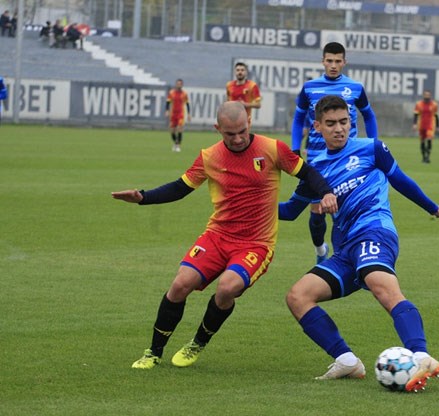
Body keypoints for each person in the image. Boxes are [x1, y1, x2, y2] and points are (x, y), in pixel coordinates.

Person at [111, 101, 337, 370]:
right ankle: (153, 352)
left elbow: (307, 173)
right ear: (217, 128)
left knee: (227, 288)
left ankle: (197, 342)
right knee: (180, 284)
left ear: (249, 122)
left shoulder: (271, 148)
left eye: (242, 131)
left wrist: (326, 192)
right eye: (230, 134)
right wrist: (143, 197)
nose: (238, 138)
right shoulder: (210, 156)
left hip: (256, 244)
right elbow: (180, 188)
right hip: (217, 236)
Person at [282, 95, 439, 392]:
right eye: (331, 124)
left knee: (381, 285)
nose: (339, 129)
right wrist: (249, 201)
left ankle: (421, 356)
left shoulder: (371, 148)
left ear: (351, 122)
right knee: (298, 296)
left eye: (344, 122)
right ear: (317, 126)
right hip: (345, 249)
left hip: (375, 232)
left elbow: (400, 180)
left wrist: (433, 208)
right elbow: (290, 211)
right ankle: (347, 360)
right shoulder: (314, 170)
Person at [288, 41, 379, 265]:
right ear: (323, 61)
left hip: (349, 159)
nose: (333, 65)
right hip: (316, 160)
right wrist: (295, 148)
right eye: (329, 60)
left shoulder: (355, 88)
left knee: (347, 210)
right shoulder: (309, 88)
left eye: (338, 61)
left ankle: (345, 259)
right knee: (317, 213)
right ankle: (321, 249)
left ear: (344, 62)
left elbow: (369, 115)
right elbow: (299, 119)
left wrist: (373, 144)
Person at [225, 62, 261, 128]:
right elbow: (227, 102)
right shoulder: (229, 85)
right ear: (235, 72)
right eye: (238, 70)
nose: (240, 72)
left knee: (242, 135)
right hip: (231, 119)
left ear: (246, 72)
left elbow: (258, 105)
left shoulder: (252, 86)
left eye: (242, 70)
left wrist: (245, 104)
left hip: (245, 121)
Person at [412, 90, 439, 163]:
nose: (427, 96)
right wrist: (414, 124)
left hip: (430, 125)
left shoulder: (434, 105)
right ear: (423, 95)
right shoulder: (419, 104)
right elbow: (416, 114)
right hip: (421, 125)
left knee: (429, 139)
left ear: (430, 96)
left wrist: (437, 126)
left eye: (428, 95)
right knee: (422, 141)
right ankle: (424, 157)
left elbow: (436, 116)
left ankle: (428, 156)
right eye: (426, 95)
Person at [165, 78, 191, 152]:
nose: (179, 85)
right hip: (173, 114)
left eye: (180, 84)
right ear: (176, 84)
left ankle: (178, 145)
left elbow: (187, 104)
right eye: (178, 84)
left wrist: (189, 114)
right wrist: (167, 110)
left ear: (182, 85)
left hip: (180, 114)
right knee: (172, 131)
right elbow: (168, 102)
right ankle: (175, 143)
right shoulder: (171, 93)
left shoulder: (184, 94)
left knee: (179, 128)